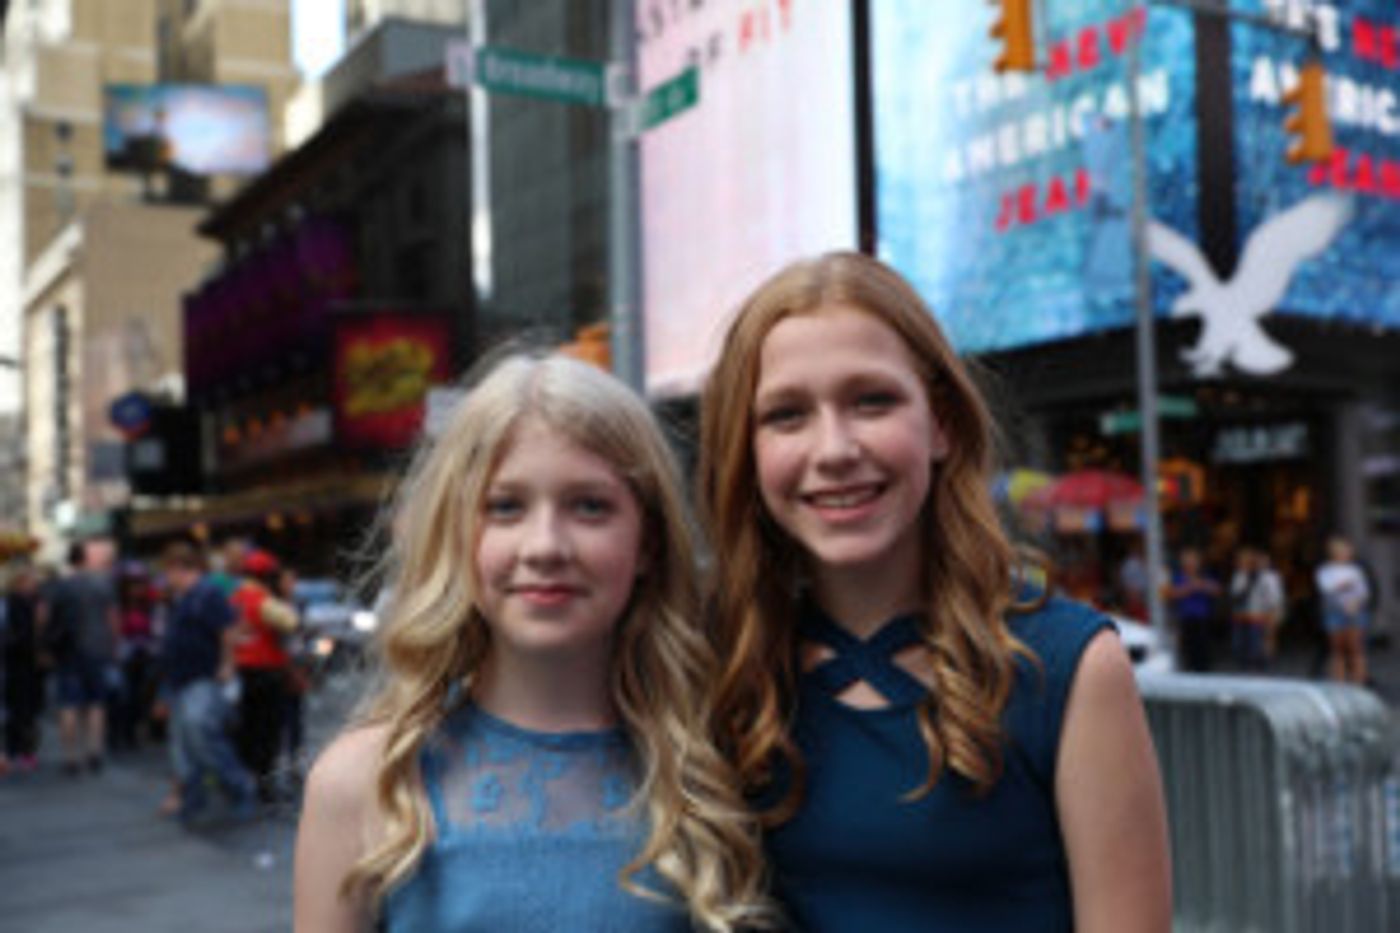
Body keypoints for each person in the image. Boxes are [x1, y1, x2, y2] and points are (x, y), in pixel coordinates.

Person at [697, 252, 1171, 932]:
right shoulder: (716, 664)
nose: (834, 449)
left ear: (941, 423)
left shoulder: (1069, 667)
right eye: (787, 414)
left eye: (872, 401)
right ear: (745, 448)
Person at [294, 353, 774, 932]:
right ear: (456, 533)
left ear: (647, 543)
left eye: (590, 507)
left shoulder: (717, 765)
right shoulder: (364, 783)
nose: (545, 546)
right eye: (505, 508)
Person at [160, 542, 257, 824]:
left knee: (200, 734)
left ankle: (237, 788)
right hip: (183, 680)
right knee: (184, 743)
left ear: (179, 569)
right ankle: (196, 796)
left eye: (168, 571)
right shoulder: (186, 596)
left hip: (201, 678)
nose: (167, 578)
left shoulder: (207, 593)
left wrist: (226, 665)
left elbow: (227, 630)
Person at [39, 539, 120, 775]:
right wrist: (114, 647)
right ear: (85, 558)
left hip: (67, 650)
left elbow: (43, 616)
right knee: (96, 704)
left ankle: (70, 757)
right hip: (97, 650)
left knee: (68, 705)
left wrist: (43, 646)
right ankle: (94, 751)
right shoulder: (103, 584)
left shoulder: (58, 586)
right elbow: (113, 618)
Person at [229, 548, 298, 802]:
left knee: (245, 729)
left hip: (241, 672)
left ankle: (243, 778)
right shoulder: (263, 600)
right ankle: (263, 783)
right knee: (268, 731)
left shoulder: (234, 598)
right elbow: (291, 622)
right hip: (267, 673)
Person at [3, 567, 43, 773]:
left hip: (28, 666)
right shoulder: (14, 603)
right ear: (19, 582)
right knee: (19, 711)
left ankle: (22, 751)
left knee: (27, 711)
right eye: (31, 580)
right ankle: (17, 752)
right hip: (17, 664)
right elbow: (19, 637)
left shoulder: (34, 602)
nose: (35, 584)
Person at [1315, 535, 1370, 684]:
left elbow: (1364, 592)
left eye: (1347, 550)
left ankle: (1358, 681)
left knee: (1356, 648)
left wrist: (1355, 603)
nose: (1345, 553)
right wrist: (1344, 586)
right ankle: (1338, 681)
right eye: (1341, 551)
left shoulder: (1356, 570)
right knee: (1337, 649)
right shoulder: (1325, 571)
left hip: (1355, 610)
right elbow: (1326, 589)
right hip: (1334, 611)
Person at [1229, 547, 1285, 672]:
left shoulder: (1272, 577)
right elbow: (1236, 596)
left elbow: (1275, 598)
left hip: (1260, 615)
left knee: (1260, 642)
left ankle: (1262, 666)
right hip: (1242, 616)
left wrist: (1273, 614)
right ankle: (1245, 665)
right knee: (1239, 643)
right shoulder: (1241, 575)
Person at [1166, 547, 1221, 673]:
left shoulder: (1204, 576)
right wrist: (1189, 588)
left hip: (1203, 618)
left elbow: (1217, 590)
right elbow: (1171, 594)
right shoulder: (1178, 577)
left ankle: (1203, 669)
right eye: (1188, 561)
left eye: (1193, 561)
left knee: (1203, 647)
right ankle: (1190, 670)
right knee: (1188, 647)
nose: (1191, 564)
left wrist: (1202, 585)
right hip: (1186, 618)